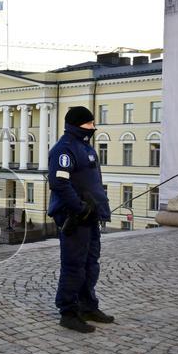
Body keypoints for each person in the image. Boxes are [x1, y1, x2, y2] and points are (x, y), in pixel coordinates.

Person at [47, 106, 114, 333]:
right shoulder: (64, 150)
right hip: (74, 217)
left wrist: (99, 208)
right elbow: (59, 184)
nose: (93, 127)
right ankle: (68, 311)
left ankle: (88, 306)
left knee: (90, 264)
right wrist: (79, 207)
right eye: (88, 124)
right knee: (74, 265)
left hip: (90, 216)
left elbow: (92, 183)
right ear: (77, 125)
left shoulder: (87, 148)